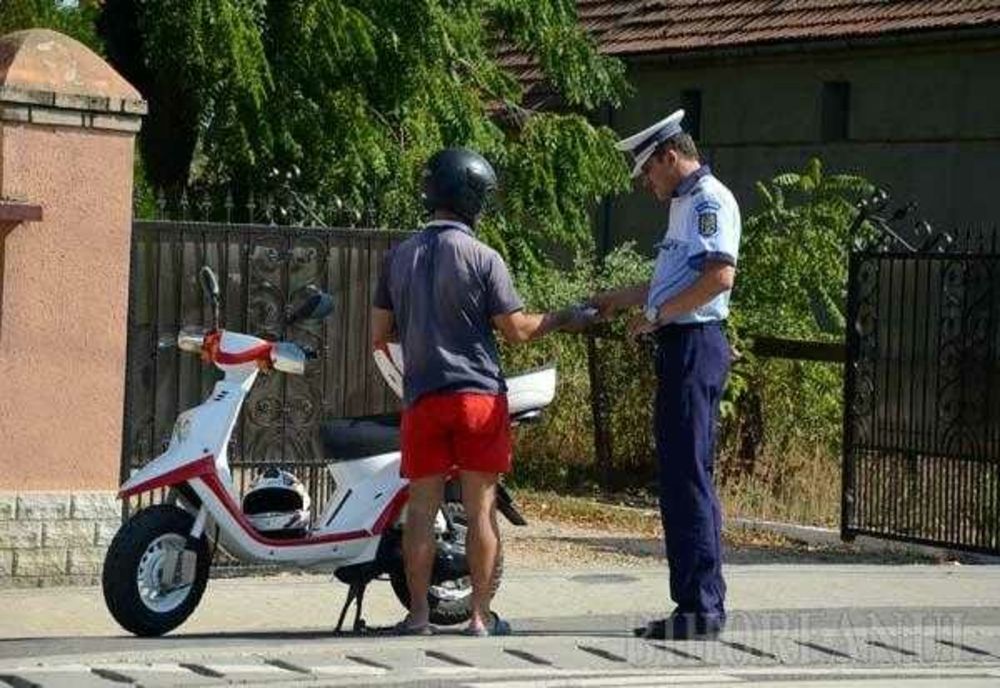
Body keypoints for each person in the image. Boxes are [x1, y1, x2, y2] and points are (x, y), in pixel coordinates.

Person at [371, 147, 595, 637]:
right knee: (479, 511)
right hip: (477, 398)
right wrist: (563, 318)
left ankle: (418, 616)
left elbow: (379, 335)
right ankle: (478, 617)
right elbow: (515, 329)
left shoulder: (397, 257)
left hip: (423, 399)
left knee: (421, 512)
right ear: (471, 197)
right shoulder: (483, 257)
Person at [589, 109, 741, 640]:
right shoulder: (683, 205)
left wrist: (655, 315)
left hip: (695, 345)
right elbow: (671, 282)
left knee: (688, 479)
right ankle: (694, 604)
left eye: (649, 172)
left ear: (669, 157)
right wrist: (620, 300)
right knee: (679, 479)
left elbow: (718, 276)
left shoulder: (708, 201)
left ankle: (700, 608)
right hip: (682, 345)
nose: (647, 184)